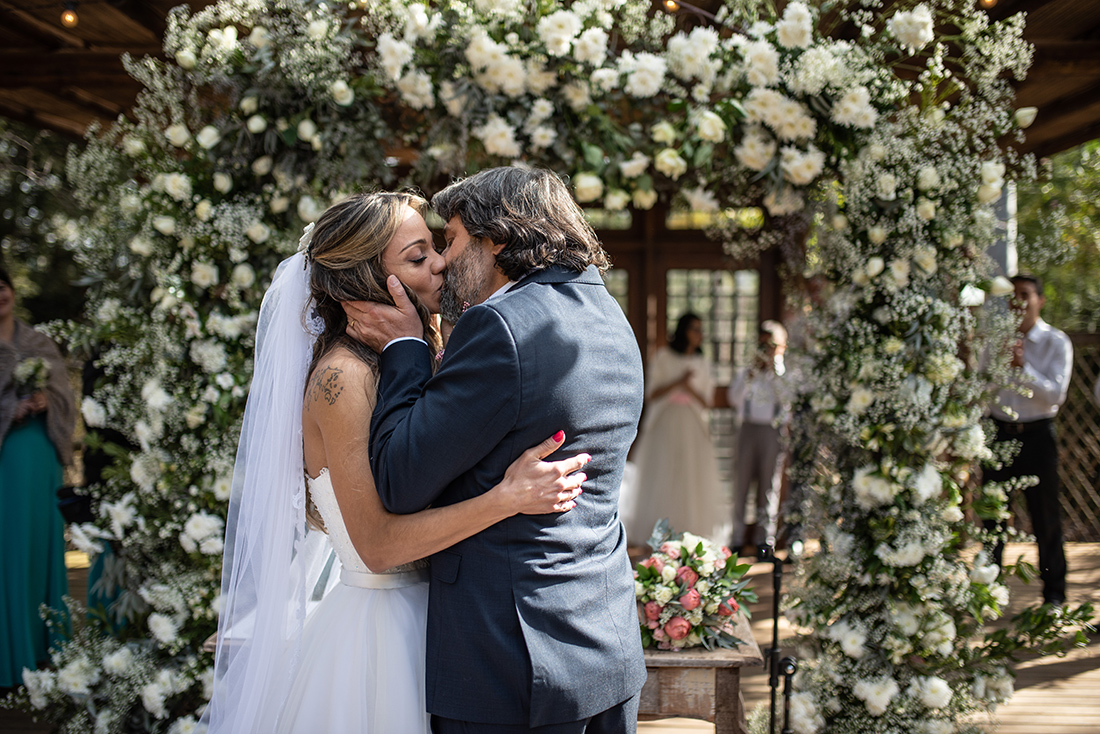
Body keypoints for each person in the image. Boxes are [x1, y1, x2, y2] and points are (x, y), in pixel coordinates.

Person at [204, 193, 590, 733]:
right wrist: (506, 499)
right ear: (367, 284)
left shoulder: (422, 355)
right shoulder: (344, 382)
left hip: (449, 623)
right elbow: (378, 547)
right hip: (382, 642)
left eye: (436, 247)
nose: (441, 263)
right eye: (416, 258)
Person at [344, 167, 647, 733]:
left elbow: (399, 478)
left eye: (453, 240)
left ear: (497, 241)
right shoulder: (606, 310)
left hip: (511, 665)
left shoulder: (500, 326)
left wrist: (406, 347)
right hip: (604, 642)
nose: (443, 260)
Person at [0, 266, 75, 687]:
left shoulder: (39, 343)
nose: (1, 294)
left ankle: (46, 652)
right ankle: (11, 657)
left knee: (38, 546)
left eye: (4, 285)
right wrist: (12, 409)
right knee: (8, 550)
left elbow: (67, 396)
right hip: (5, 460)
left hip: (40, 455)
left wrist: (49, 399)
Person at [984, 274, 1071, 607]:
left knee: (1045, 518)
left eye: (1025, 295)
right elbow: (983, 387)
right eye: (1013, 296)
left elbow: (1055, 395)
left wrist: (1023, 368)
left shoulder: (1056, 342)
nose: (1018, 302)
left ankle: (1054, 595)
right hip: (999, 433)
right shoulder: (996, 341)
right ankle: (988, 593)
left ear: (1040, 300)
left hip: (1037, 436)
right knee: (993, 517)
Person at [625, 312, 725, 546]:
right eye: (694, 329)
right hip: (666, 423)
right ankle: (661, 533)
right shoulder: (664, 357)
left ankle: (691, 533)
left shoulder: (703, 362)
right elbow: (651, 393)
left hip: (692, 425)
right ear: (683, 331)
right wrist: (678, 382)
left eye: (701, 330)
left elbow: (707, 401)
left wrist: (688, 387)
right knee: (664, 475)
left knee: (690, 476)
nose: (699, 335)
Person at [727, 320, 791, 560]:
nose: (766, 350)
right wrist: (752, 375)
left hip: (772, 432)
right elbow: (734, 398)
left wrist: (773, 372)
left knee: (768, 489)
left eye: (771, 345)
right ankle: (737, 540)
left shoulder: (783, 373)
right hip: (748, 429)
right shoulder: (747, 372)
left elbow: (788, 404)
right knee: (741, 486)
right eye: (762, 345)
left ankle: (765, 543)